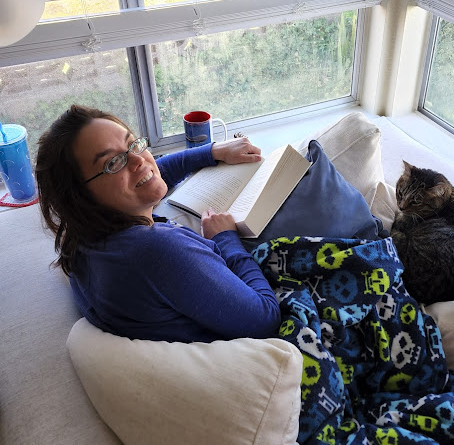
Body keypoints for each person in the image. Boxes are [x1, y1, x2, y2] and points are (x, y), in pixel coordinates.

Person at [35, 104, 281, 343]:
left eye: (133, 144)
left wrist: (212, 152)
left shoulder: (78, 236)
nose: (137, 160)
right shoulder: (155, 251)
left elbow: (149, 171)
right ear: (79, 195)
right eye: (112, 163)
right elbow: (265, 320)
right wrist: (225, 238)